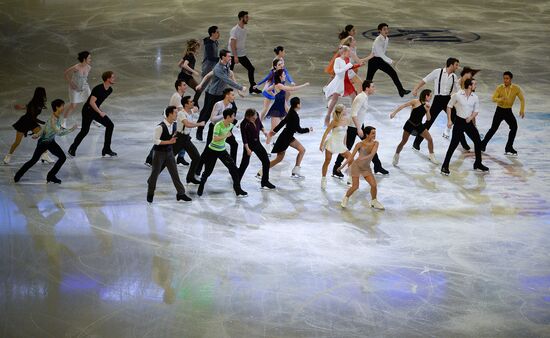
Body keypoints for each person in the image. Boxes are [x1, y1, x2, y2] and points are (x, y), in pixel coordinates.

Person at [332, 80, 389, 178]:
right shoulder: (361, 98)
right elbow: (353, 114)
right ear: (367, 88)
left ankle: (377, 166)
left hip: (359, 125)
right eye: (373, 86)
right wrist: (359, 129)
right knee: (347, 148)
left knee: (370, 144)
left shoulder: (364, 97)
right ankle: (336, 168)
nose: (374, 88)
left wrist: (360, 126)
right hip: (354, 127)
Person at [14, 99, 77, 184]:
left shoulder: (56, 116)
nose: (63, 107)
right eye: (62, 106)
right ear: (57, 107)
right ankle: (18, 175)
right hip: (43, 143)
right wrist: (71, 129)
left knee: (62, 158)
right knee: (33, 160)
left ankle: (51, 176)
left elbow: (45, 127)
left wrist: (37, 134)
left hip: (50, 142)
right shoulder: (53, 119)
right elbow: (59, 133)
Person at [411, 58, 465, 150]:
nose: (457, 67)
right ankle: (416, 142)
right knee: (429, 122)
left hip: (448, 100)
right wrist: (416, 89)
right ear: (451, 65)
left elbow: (458, 89)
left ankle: (464, 143)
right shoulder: (437, 72)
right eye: (456, 65)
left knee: (457, 121)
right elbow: (425, 80)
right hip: (438, 100)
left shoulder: (454, 77)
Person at [195, 49, 246, 141]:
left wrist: (238, 91)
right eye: (228, 56)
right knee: (206, 113)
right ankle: (199, 131)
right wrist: (240, 88)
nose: (230, 57)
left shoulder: (227, 65)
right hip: (212, 94)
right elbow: (227, 80)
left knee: (233, 108)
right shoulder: (218, 68)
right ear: (223, 57)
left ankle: (228, 128)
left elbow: (230, 74)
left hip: (222, 93)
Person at [441, 78, 489, 175]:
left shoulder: (475, 97)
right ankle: (444, 166)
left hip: (468, 123)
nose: (476, 86)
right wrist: (449, 120)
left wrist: (471, 117)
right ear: (469, 86)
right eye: (474, 84)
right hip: (459, 122)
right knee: (453, 145)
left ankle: (478, 163)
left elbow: (476, 110)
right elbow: (449, 106)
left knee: (478, 142)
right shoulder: (457, 95)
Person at [197, 108, 248, 197]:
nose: (234, 118)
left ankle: (238, 190)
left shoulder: (231, 124)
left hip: (222, 151)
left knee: (234, 169)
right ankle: (201, 185)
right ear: (228, 117)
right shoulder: (218, 125)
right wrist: (226, 135)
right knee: (208, 171)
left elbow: (240, 123)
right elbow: (215, 138)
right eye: (233, 116)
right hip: (212, 150)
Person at [146, 106, 192, 203]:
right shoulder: (160, 127)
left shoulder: (174, 125)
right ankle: (150, 193)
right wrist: (169, 142)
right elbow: (155, 141)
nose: (177, 114)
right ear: (170, 114)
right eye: (175, 113)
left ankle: (181, 193)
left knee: (175, 174)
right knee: (154, 174)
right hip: (159, 154)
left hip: (169, 153)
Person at [68, 71, 117, 157]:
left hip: (95, 110)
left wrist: (99, 111)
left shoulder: (109, 90)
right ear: (107, 79)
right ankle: (72, 148)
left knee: (110, 125)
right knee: (84, 131)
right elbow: (91, 102)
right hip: (88, 110)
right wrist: (100, 112)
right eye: (112, 77)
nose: (114, 79)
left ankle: (106, 149)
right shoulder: (98, 88)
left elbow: (97, 103)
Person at [265, 97, 312, 178]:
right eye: (300, 103)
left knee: (302, 150)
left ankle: (296, 170)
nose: (301, 104)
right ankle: (262, 171)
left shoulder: (291, 112)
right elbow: (299, 130)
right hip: (285, 138)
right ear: (297, 105)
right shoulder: (294, 115)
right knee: (279, 159)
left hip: (288, 137)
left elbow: (283, 122)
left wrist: (274, 130)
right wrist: (308, 129)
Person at [339, 126, 384, 209]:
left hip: (366, 168)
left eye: (375, 133)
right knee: (355, 186)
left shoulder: (376, 143)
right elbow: (350, 157)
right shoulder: (359, 144)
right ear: (367, 134)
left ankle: (374, 201)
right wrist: (342, 166)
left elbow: (372, 154)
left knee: (374, 185)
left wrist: (363, 158)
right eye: (372, 133)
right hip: (357, 166)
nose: (374, 135)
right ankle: (346, 198)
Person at [481, 71, 525, 156]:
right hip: (499, 111)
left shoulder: (516, 88)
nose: (505, 80)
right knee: (493, 128)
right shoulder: (500, 88)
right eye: (504, 78)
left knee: (514, 127)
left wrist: (522, 110)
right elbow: (493, 98)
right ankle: (482, 145)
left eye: (507, 78)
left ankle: (509, 147)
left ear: (511, 79)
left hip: (508, 111)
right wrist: (500, 99)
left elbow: (522, 99)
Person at [390, 89, 438, 166]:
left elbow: (428, 119)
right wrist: (394, 113)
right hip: (410, 124)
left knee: (430, 139)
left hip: (419, 125)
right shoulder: (415, 101)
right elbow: (403, 105)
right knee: (404, 141)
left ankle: (431, 155)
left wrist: (428, 110)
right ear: (426, 96)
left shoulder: (427, 105)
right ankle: (396, 155)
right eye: (430, 96)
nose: (431, 98)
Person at [4, 87, 49, 165]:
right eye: (43, 93)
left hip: (32, 122)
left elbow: (28, 107)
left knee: (44, 137)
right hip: (24, 122)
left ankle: (45, 155)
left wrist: (22, 107)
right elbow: (32, 116)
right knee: (17, 142)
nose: (44, 95)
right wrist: (43, 122)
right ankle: (8, 156)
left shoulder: (39, 102)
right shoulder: (33, 102)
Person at [366, 23, 410, 97]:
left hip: (379, 60)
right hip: (374, 60)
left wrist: (387, 60)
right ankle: (362, 94)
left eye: (387, 29)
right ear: (380, 31)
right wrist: (390, 61)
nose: (386, 31)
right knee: (369, 80)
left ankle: (401, 91)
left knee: (393, 73)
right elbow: (380, 53)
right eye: (384, 29)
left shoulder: (386, 38)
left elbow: (382, 53)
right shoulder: (378, 40)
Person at [323, 45, 362, 126]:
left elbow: (350, 67)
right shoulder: (337, 60)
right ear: (344, 52)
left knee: (354, 97)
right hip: (339, 82)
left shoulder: (347, 59)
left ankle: (353, 116)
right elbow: (337, 71)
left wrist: (359, 65)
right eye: (348, 52)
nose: (350, 53)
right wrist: (347, 66)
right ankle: (327, 116)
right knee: (334, 100)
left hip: (346, 81)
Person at [238, 108, 275, 189]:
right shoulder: (244, 124)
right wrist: (247, 149)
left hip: (257, 143)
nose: (255, 118)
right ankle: (237, 182)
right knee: (244, 164)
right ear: (248, 117)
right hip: (249, 145)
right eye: (253, 118)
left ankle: (265, 182)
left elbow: (260, 125)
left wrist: (264, 131)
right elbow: (244, 139)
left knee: (266, 162)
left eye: (256, 116)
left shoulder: (256, 115)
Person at [265, 69, 309, 137]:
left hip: (283, 108)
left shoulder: (279, 84)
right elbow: (291, 89)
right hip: (276, 110)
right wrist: (304, 85)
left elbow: (268, 90)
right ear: (280, 77)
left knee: (283, 125)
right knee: (273, 131)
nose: (285, 76)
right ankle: (267, 145)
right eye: (283, 75)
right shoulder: (279, 85)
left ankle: (295, 131)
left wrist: (276, 96)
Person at [319, 104, 352, 190]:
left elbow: (346, 132)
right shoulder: (334, 121)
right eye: (345, 108)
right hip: (332, 142)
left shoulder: (346, 119)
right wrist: (321, 144)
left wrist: (345, 144)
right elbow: (326, 133)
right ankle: (323, 179)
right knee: (327, 161)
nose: (346, 109)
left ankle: (350, 178)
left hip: (340, 144)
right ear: (341, 111)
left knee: (351, 158)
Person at [228, 11, 262, 94]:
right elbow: (232, 44)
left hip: (241, 53)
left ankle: (252, 88)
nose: (248, 18)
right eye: (246, 17)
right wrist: (235, 56)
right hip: (232, 54)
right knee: (228, 72)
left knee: (251, 68)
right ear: (241, 18)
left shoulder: (244, 29)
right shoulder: (235, 30)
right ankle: (223, 89)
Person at [63, 51, 92, 128]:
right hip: (74, 88)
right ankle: (64, 122)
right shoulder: (76, 67)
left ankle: (94, 120)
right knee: (73, 105)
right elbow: (65, 73)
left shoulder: (89, 67)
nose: (90, 59)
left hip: (85, 87)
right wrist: (71, 83)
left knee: (90, 104)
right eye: (89, 58)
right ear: (84, 59)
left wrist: (84, 87)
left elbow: (84, 79)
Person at [178, 39, 202, 106]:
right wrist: (193, 72)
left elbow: (179, 64)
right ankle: (194, 104)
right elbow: (185, 65)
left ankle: (192, 104)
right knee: (198, 90)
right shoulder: (190, 55)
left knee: (181, 94)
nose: (198, 48)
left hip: (183, 75)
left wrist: (194, 70)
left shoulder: (187, 54)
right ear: (194, 47)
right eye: (197, 46)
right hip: (185, 76)